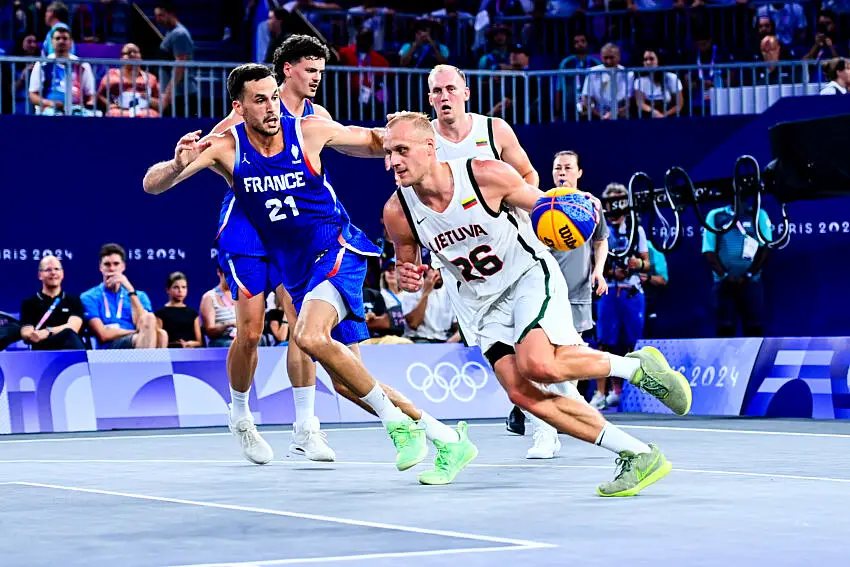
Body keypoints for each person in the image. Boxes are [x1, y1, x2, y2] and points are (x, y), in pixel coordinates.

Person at [143, 64, 477, 485]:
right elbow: (152, 184)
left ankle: (396, 425)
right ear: (239, 107)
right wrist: (176, 165)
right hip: (299, 270)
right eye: (260, 100)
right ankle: (446, 437)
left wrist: (410, 140)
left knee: (308, 336)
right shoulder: (226, 148)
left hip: (337, 251)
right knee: (347, 382)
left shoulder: (308, 131)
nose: (271, 107)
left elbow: (372, 140)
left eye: (273, 97)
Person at [382, 112, 692, 497]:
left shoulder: (484, 176)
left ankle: (635, 368)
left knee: (538, 365)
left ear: (430, 147)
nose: (392, 161)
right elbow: (407, 260)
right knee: (523, 394)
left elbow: (545, 207)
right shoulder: (398, 211)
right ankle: (638, 453)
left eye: (401, 150)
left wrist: (573, 212)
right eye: (388, 153)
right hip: (479, 304)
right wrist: (410, 274)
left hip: (526, 276)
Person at [208, 35, 437, 465]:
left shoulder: (317, 119)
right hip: (250, 228)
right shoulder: (247, 112)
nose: (317, 78)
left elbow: (363, 143)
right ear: (287, 70)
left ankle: (305, 428)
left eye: (321, 71)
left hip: (299, 231)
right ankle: (240, 415)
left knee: (302, 324)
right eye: (310, 70)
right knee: (251, 332)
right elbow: (208, 155)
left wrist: (401, 136)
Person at [414, 64, 538, 436]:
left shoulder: (494, 130)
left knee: (529, 335)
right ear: (430, 98)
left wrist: (524, 206)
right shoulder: (423, 141)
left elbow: (528, 175)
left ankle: (540, 417)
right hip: (461, 266)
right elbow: (413, 201)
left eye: (451, 89)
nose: (444, 96)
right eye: (437, 91)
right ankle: (526, 401)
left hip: (509, 251)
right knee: (494, 346)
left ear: (466, 93)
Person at [521, 150, 609, 460]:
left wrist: (599, 271)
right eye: (557, 167)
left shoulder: (591, 205)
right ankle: (548, 427)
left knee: (569, 361)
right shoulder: (539, 204)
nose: (562, 172)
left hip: (577, 294)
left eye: (568, 167)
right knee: (539, 362)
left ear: (579, 172)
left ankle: (566, 416)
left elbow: (600, 240)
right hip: (544, 295)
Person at [81, 243, 168, 349]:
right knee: (141, 336)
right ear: (100, 267)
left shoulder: (140, 296)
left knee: (160, 332)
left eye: (116, 264)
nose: (112, 269)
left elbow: (144, 324)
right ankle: (147, 359)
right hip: (109, 347)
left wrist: (130, 290)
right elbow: (103, 334)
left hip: (138, 340)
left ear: (123, 267)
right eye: (107, 264)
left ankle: (148, 358)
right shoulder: (89, 297)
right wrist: (137, 333)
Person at [19, 255, 86, 351]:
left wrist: (48, 331)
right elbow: (26, 329)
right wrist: (29, 334)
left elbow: (73, 327)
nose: (53, 273)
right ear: (40, 275)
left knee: (69, 333)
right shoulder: (29, 303)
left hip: (70, 351)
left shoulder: (74, 300)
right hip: (43, 352)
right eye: (48, 270)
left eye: (56, 269)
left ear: (62, 274)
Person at [155, 271, 202, 348]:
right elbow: (158, 341)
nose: (180, 291)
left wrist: (190, 344)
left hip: (190, 351)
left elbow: (199, 342)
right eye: (176, 287)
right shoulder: (160, 314)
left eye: (183, 287)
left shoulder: (193, 314)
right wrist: (175, 344)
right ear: (168, 290)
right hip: (168, 352)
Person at [200, 267, 238, 347]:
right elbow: (210, 331)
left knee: (260, 339)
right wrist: (229, 325)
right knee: (234, 345)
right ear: (219, 272)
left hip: (242, 337)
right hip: (222, 340)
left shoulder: (241, 295)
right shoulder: (209, 297)